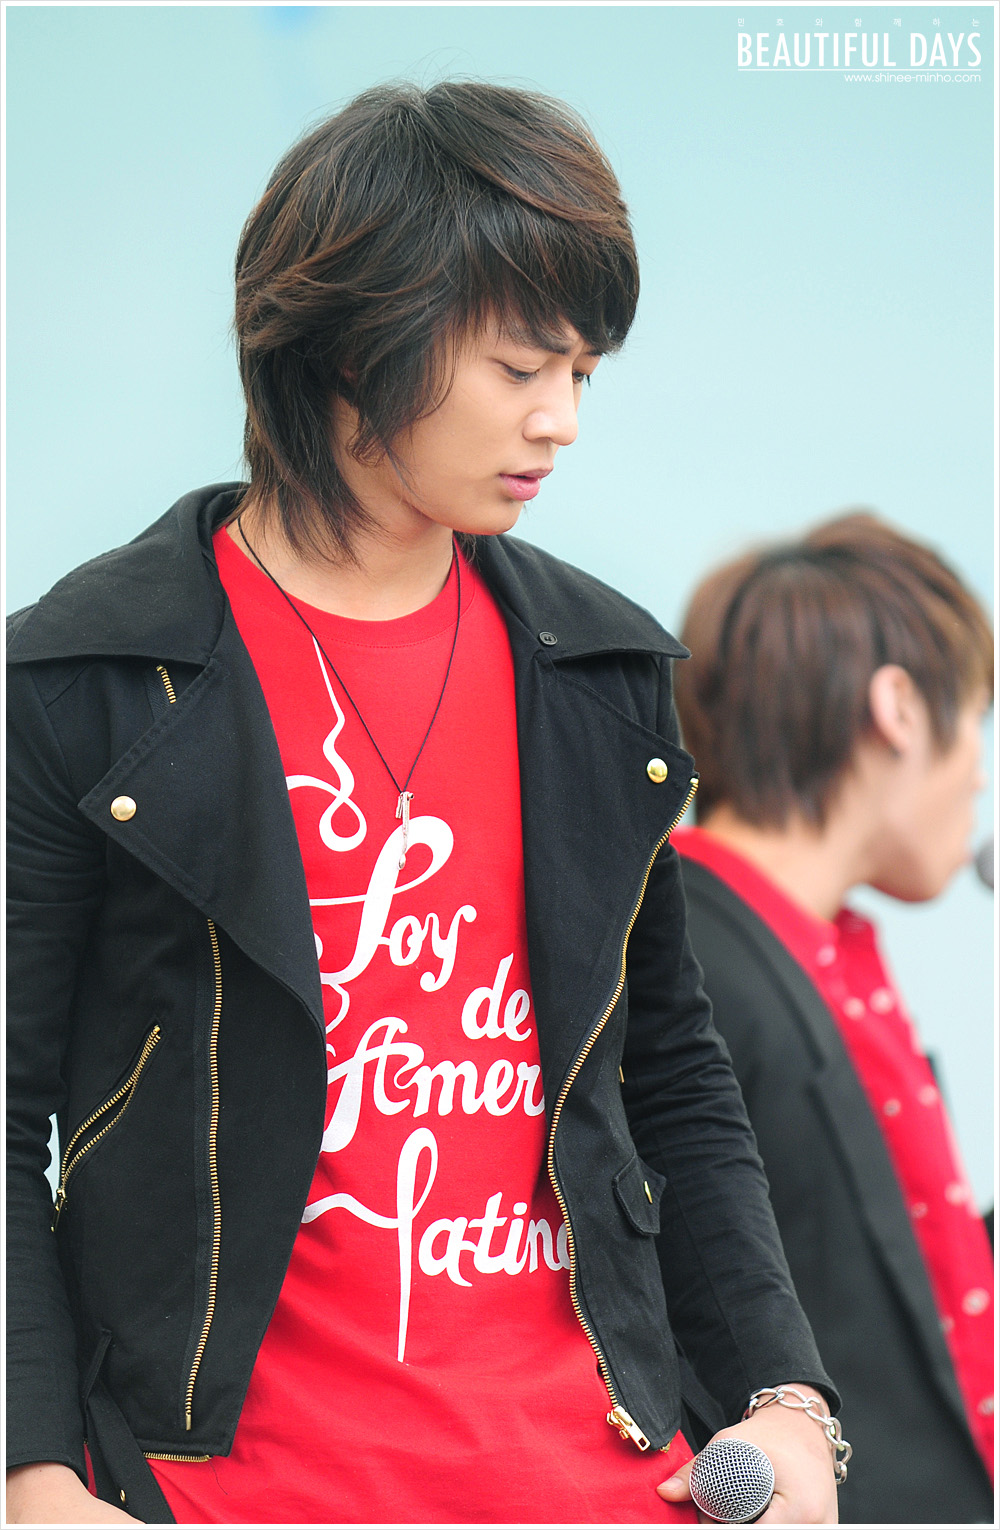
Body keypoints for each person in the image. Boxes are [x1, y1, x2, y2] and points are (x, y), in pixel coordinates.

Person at [7, 82, 845, 1526]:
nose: (560, 420)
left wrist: (787, 1394)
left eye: (582, 373)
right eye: (521, 366)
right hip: (224, 1491)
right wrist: (30, 1472)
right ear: (356, 346)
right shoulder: (93, 679)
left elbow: (671, 1074)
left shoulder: (600, 675)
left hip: (607, 1484)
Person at [672, 513, 994, 1523]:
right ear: (899, 708)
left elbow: (879, 1277)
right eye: (977, 723)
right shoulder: (684, 956)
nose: (979, 773)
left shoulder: (818, 949)